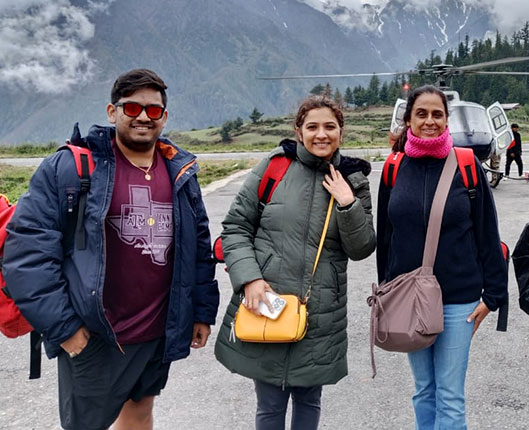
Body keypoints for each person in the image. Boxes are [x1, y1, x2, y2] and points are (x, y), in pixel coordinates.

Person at [2, 69, 220, 430]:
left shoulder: (179, 170)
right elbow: (26, 254)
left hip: (156, 330)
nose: (143, 118)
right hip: (96, 334)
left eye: (153, 111)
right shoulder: (71, 169)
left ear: (164, 117)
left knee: (140, 412)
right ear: (112, 112)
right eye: (132, 108)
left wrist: (201, 310)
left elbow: (197, 246)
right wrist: (64, 328)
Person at [214, 96, 376, 430]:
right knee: (270, 405)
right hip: (267, 304)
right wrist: (250, 279)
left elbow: (361, 248)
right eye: (312, 126)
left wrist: (347, 203)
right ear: (298, 132)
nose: (321, 134)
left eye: (330, 126)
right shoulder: (275, 168)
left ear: (341, 132)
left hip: (320, 313)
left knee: (308, 400)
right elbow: (235, 228)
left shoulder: (354, 180)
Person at [376, 85, 507, 430]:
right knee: (424, 390)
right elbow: (386, 237)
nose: (430, 121)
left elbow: (487, 233)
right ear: (408, 121)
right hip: (408, 299)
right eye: (421, 114)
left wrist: (493, 296)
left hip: (459, 299)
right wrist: (385, 294)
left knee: (449, 394)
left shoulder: (466, 166)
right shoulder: (392, 169)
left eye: (437, 114)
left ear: (448, 120)